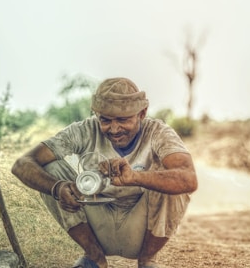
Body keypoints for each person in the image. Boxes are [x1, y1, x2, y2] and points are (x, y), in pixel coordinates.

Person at [12, 77, 198, 268]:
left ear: (142, 113)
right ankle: (94, 258)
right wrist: (58, 188)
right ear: (97, 115)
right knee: (51, 169)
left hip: (141, 229)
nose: (114, 129)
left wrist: (135, 177)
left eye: (123, 120)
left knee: (171, 181)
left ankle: (147, 260)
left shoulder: (158, 132)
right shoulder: (84, 130)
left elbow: (189, 179)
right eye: (105, 120)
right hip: (97, 225)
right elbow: (22, 164)